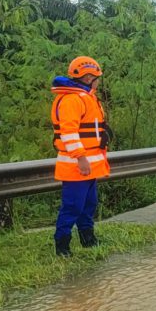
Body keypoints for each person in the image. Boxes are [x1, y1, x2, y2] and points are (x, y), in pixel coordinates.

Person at [50, 56, 111, 257]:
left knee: (88, 204)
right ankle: (62, 245)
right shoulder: (72, 100)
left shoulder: (85, 97)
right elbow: (69, 132)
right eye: (97, 78)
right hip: (76, 165)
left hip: (88, 164)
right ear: (88, 78)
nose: (98, 81)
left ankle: (88, 239)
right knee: (72, 206)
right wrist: (81, 158)